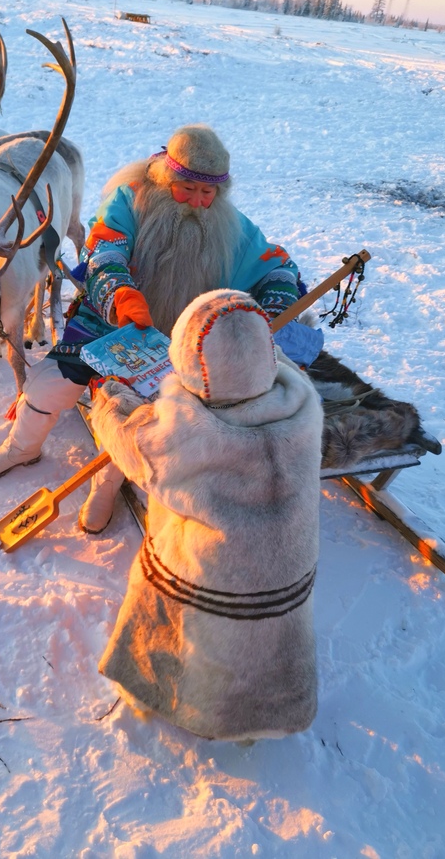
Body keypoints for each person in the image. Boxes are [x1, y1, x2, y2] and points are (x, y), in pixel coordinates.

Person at [0, 124, 323, 533]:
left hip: (177, 342)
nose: (197, 202)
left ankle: (104, 487)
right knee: (50, 384)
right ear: (166, 177)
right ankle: (20, 448)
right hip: (108, 323)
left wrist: (276, 303)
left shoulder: (233, 226)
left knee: (141, 415)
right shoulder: (131, 200)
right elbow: (104, 250)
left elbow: (277, 266)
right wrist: (120, 294)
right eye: (187, 188)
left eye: (208, 193)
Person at [91, 288, 323, 742]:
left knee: (174, 612)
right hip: (287, 578)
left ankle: (178, 702)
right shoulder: (303, 402)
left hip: (214, 585)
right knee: (271, 630)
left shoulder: (187, 432)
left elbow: (130, 443)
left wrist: (109, 400)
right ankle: (270, 713)